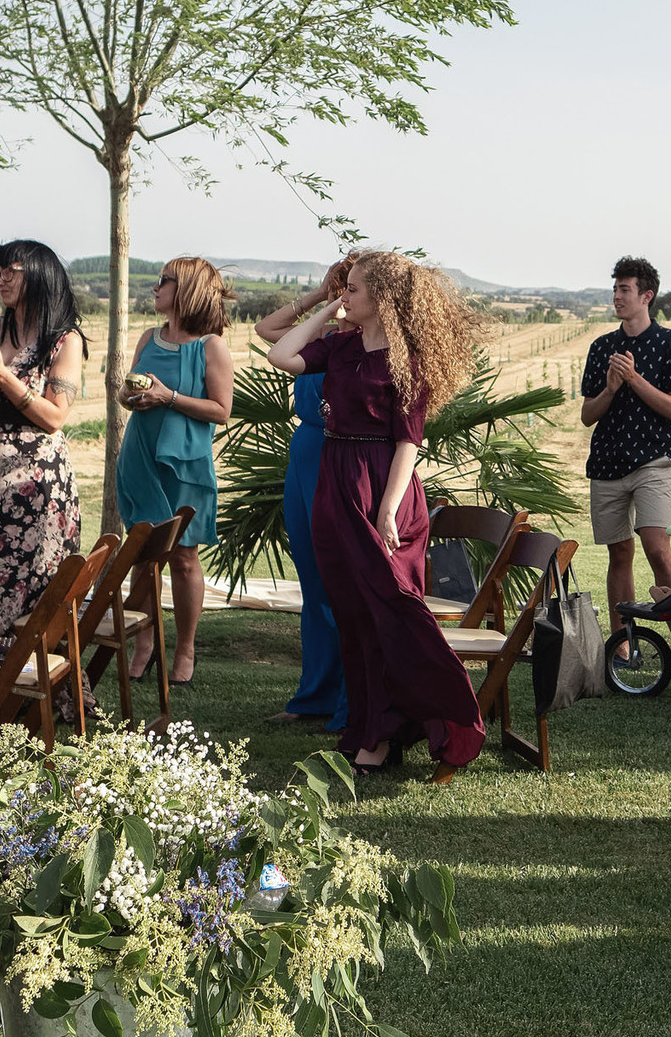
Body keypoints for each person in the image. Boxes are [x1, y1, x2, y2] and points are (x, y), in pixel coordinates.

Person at [268, 250, 485, 777]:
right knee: (352, 614)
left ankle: (405, 728)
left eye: (357, 288)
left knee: (390, 610)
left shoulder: (409, 362)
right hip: (335, 482)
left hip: (383, 486)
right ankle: (366, 729)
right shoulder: (340, 348)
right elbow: (280, 354)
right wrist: (326, 304)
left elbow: (409, 443)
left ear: (385, 299)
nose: (348, 294)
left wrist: (388, 510)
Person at [0, 240, 86, 660]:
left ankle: (29, 676)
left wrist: (3, 377)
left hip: (34, 482)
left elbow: (55, 416)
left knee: (29, 578)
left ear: (39, 275)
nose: (1, 279)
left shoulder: (64, 340)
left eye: (11, 271)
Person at [116, 256, 234, 686]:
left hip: (184, 466)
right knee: (143, 558)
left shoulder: (211, 346)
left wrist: (169, 398)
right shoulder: (148, 337)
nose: (154, 288)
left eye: (162, 281)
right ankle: (145, 642)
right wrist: (130, 399)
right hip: (140, 458)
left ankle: (185, 649)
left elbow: (221, 411)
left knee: (183, 558)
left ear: (184, 289)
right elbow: (128, 395)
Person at [581, 258, 671, 667]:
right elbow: (587, 415)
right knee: (619, 555)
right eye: (615, 289)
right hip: (607, 464)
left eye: (624, 290)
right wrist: (610, 388)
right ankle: (623, 651)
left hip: (653, 462)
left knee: (657, 548)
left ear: (646, 296)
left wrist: (634, 380)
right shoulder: (600, 348)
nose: (616, 297)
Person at [255, 269, 351, 730]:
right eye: (344, 286)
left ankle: (351, 699)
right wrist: (321, 296)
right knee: (313, 584)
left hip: (339, 459)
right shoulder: (325, 336)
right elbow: (266, 331)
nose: (346, 295)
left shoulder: (365, 345)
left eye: (354, 287)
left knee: (341, 583)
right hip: (305, 456)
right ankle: (314, 695)